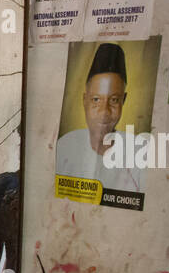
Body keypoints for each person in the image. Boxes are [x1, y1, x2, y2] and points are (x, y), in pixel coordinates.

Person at [55, 42, 145, 192]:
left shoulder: (140, 152)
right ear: (84, 100)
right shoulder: (65, 146)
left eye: (114, 100)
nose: (104, 111)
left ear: (124, 100)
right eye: (96, 100)